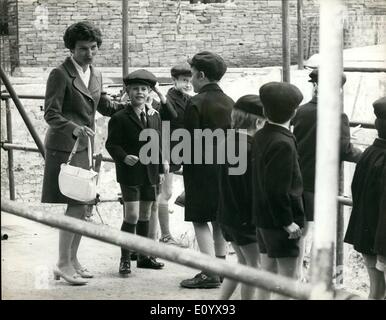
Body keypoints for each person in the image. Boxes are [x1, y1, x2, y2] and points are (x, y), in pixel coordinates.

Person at [42, 21, 123, 285]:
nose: (89, 53)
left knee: (83, 205)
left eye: (93, 48)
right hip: (65, 147)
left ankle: (72, 260)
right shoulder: (60, 74)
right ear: (71, 49)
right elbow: (51, 114)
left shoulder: (95, 74)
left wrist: (129, 102)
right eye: (82, 49)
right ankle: (63, 262)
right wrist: (75, 128)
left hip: (87, 148)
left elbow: (101, 105)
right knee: (76, 205)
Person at [291, 68, 362, 278]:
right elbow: (345, 150)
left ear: (314, 86)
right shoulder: (338, 115)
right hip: (321, 183)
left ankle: (296, 275)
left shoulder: (300, 111)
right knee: (320, 232)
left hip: (299, 178)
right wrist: (365, 156)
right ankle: (315, 277)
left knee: (301, 231)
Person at [105, 69, 169, 276]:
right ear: (127, 92)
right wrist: (124, 157)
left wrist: (161, 166)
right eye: (134, 89)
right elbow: (112, 144)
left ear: (149, 92)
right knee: (131, 214)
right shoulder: (119, 117)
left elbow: (157, 143)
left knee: (144, 215)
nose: (139, 93)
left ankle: (143, 256)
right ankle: (125, 258)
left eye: (143, 89)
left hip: (150, 172)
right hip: (130, 173)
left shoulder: (154, 115)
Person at [180, 51, 234, 289]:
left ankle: (208, 271)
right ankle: (220, 268)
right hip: (227, 168)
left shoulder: (195, 102)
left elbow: (187, 141)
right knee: (219, 219)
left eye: (191, 75)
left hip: (200, 169)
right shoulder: (231, 102)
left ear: (201, 75)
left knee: (200, 219)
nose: (190, 80)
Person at [251, 82, 305, 300]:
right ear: (294, 112)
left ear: (264, 110)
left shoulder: (261, 135)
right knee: (287, 281)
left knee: (268, 274)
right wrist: (287, 221)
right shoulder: (283, 143)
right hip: (280, 222)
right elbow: (277, 188)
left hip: (263, 219)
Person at [217, 95, 267, 300]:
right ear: (258, 122)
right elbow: (249, 189)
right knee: (253, 269)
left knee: (242, 264)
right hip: (245, 219)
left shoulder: (228, 141)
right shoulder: (250, 148)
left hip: (227, 215)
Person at [344, 96, 386, 299]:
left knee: (375, 291)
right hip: (382, 241)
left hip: (367, 234)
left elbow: (356, 190)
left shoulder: (369, 153)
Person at [148, 63, 193, 247]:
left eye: (189, 80)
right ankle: (165, 236)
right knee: (165, 193)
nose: (187, 84)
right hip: (168, 148)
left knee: (168, 192)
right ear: (174, 80)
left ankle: (160, 234)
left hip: (181, 148)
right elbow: (169, 119)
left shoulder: (186, 98)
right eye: (183, 80)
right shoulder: (168, 99)